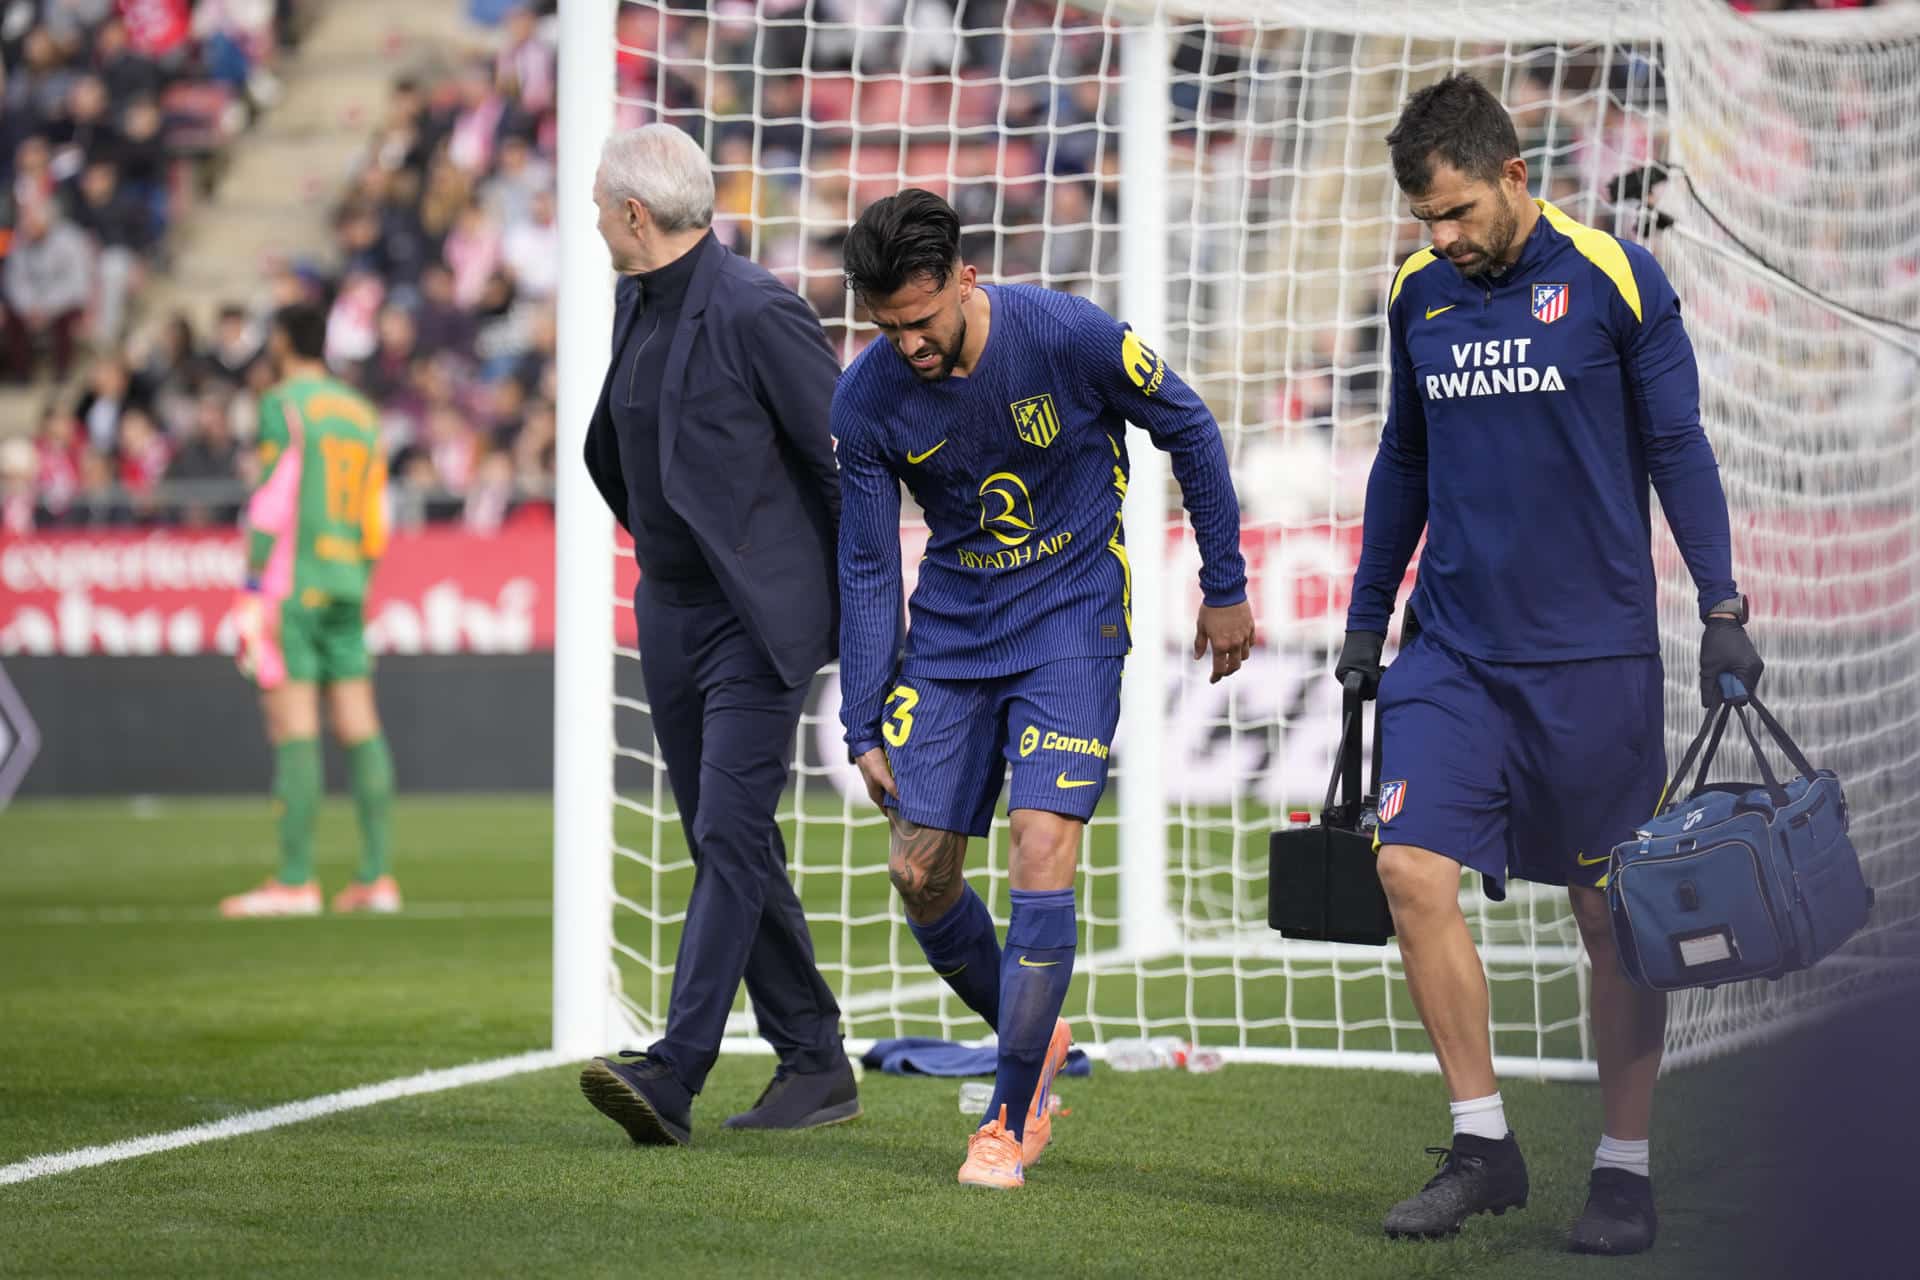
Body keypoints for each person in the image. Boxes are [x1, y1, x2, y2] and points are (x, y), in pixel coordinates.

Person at [1335, 75, 1765, 1254]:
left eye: (1461, 212)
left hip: (1594, 659)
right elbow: (1402, 460)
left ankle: (1623, 1170)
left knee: (1607, 913)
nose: (1444, 237)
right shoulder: (1419, 291)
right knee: (1410, 865)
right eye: (1427, 219)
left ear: (1515, 177)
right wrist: (1369, 616)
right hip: (1455, 647)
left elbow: (1678, 444)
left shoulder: (1619, 278)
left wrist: (1722, 602)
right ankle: (1484, 1143)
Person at [834, 188, 1255, 1189]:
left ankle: (1009, 1113)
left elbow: (1188, 427)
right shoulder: (862, 401)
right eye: (887, 329)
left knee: (1040, 843)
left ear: (966, 279)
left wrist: (1224, 583)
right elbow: (862, 563)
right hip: (951, 635)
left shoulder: (1064, 335)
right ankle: (1034, 1030)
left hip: (1071, 622)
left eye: (921, 322)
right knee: (918, 871)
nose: (908, 347)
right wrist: (862, 714)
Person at [577, 124, 857, 1145]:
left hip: (755, 616)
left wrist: (875, 621)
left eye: (599, 202)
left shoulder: (756, 308)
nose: (592, 216)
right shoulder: (634, 301)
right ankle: (815, 1057)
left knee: (730, 832)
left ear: (636, 216)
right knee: (725, 835)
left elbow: (846, 464)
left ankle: (674, 1067)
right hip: (672, 607)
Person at [219, 303, 400, 918]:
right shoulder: (361, 412)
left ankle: (295, 880)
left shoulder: (285, 403)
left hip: (293, 584)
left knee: (292, 728)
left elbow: (274, 497)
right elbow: (377, 515)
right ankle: (376, 877)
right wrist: (361, 577)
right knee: (360, 725)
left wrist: (249, 587)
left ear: (280, 339)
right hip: (349, 579)